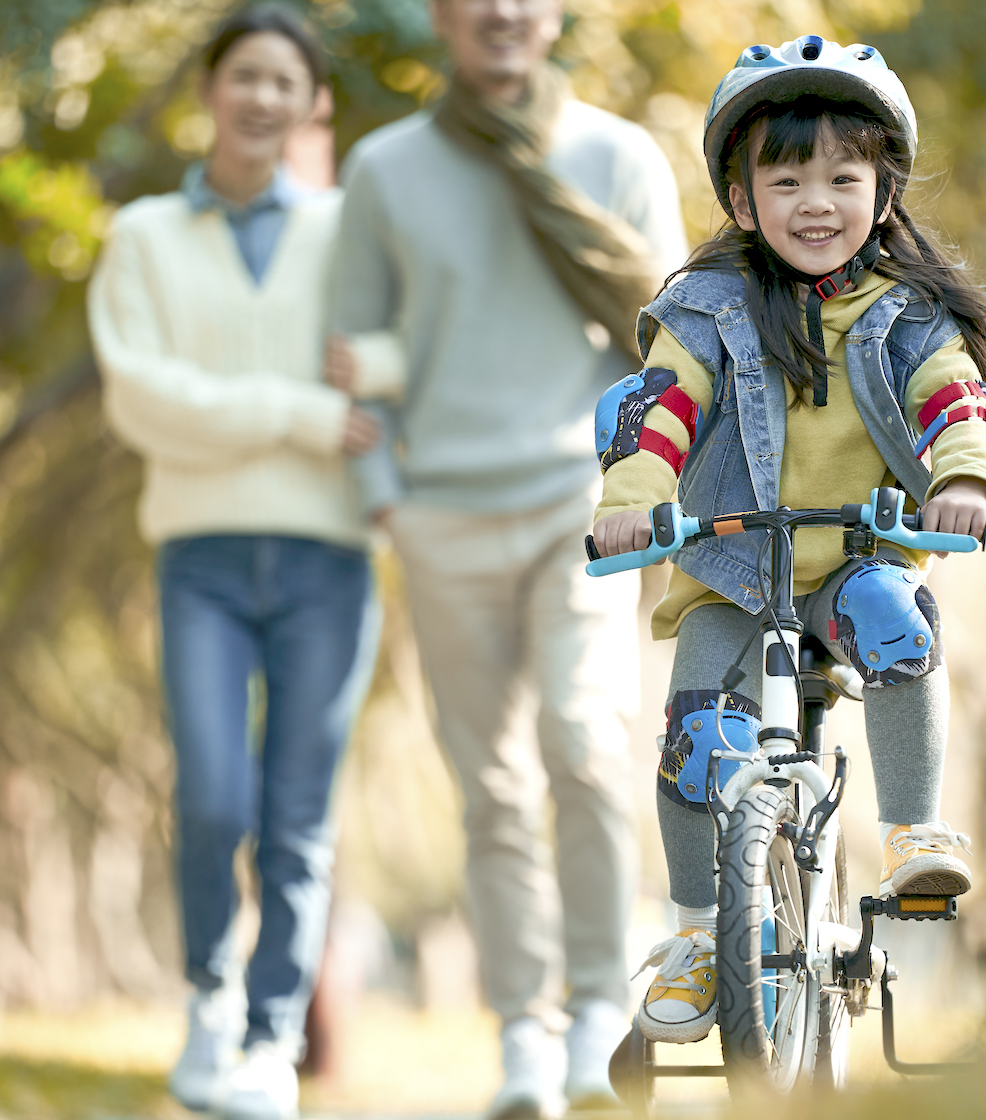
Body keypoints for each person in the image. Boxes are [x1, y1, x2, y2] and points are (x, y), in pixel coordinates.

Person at [590, 35, 986, 1046]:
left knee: (900, 617)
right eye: (785, 179)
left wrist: (961, 474)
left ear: (884, 187)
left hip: (856, 558)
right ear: (741, 200)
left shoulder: (905, 314)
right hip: (737, 569)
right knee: (698, 736)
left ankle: (914, 831)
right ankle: (699, 934)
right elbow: (659, 409)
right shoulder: (705, 309)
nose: (815, 202)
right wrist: (635, 492)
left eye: (842, 176)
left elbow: (954, 399)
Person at [327, 1, 687, 1114]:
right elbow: (348, 350)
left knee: (583, 743)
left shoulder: (618, 156)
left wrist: (651, 488)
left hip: (581, 507)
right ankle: (524, 1036)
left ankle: (592, 1017)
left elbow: (681, 343)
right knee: (489, 789)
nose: (500, 10)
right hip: (440, 515)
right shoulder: (383, 170)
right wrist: (387, 500)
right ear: (440, 14)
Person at [87, 8, 380, 1120]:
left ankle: (268, 1042)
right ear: (210, 90)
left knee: (299, 816)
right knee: (214, 797)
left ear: (309, 105)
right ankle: (209, 997)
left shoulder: (352, 232)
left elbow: (391, 364)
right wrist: (303, 415)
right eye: (243, 76)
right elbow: (144, 400)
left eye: (285, 83)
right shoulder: (143, 239)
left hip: (329, 562)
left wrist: (366, 394)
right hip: (201, 559)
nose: (263, 98)